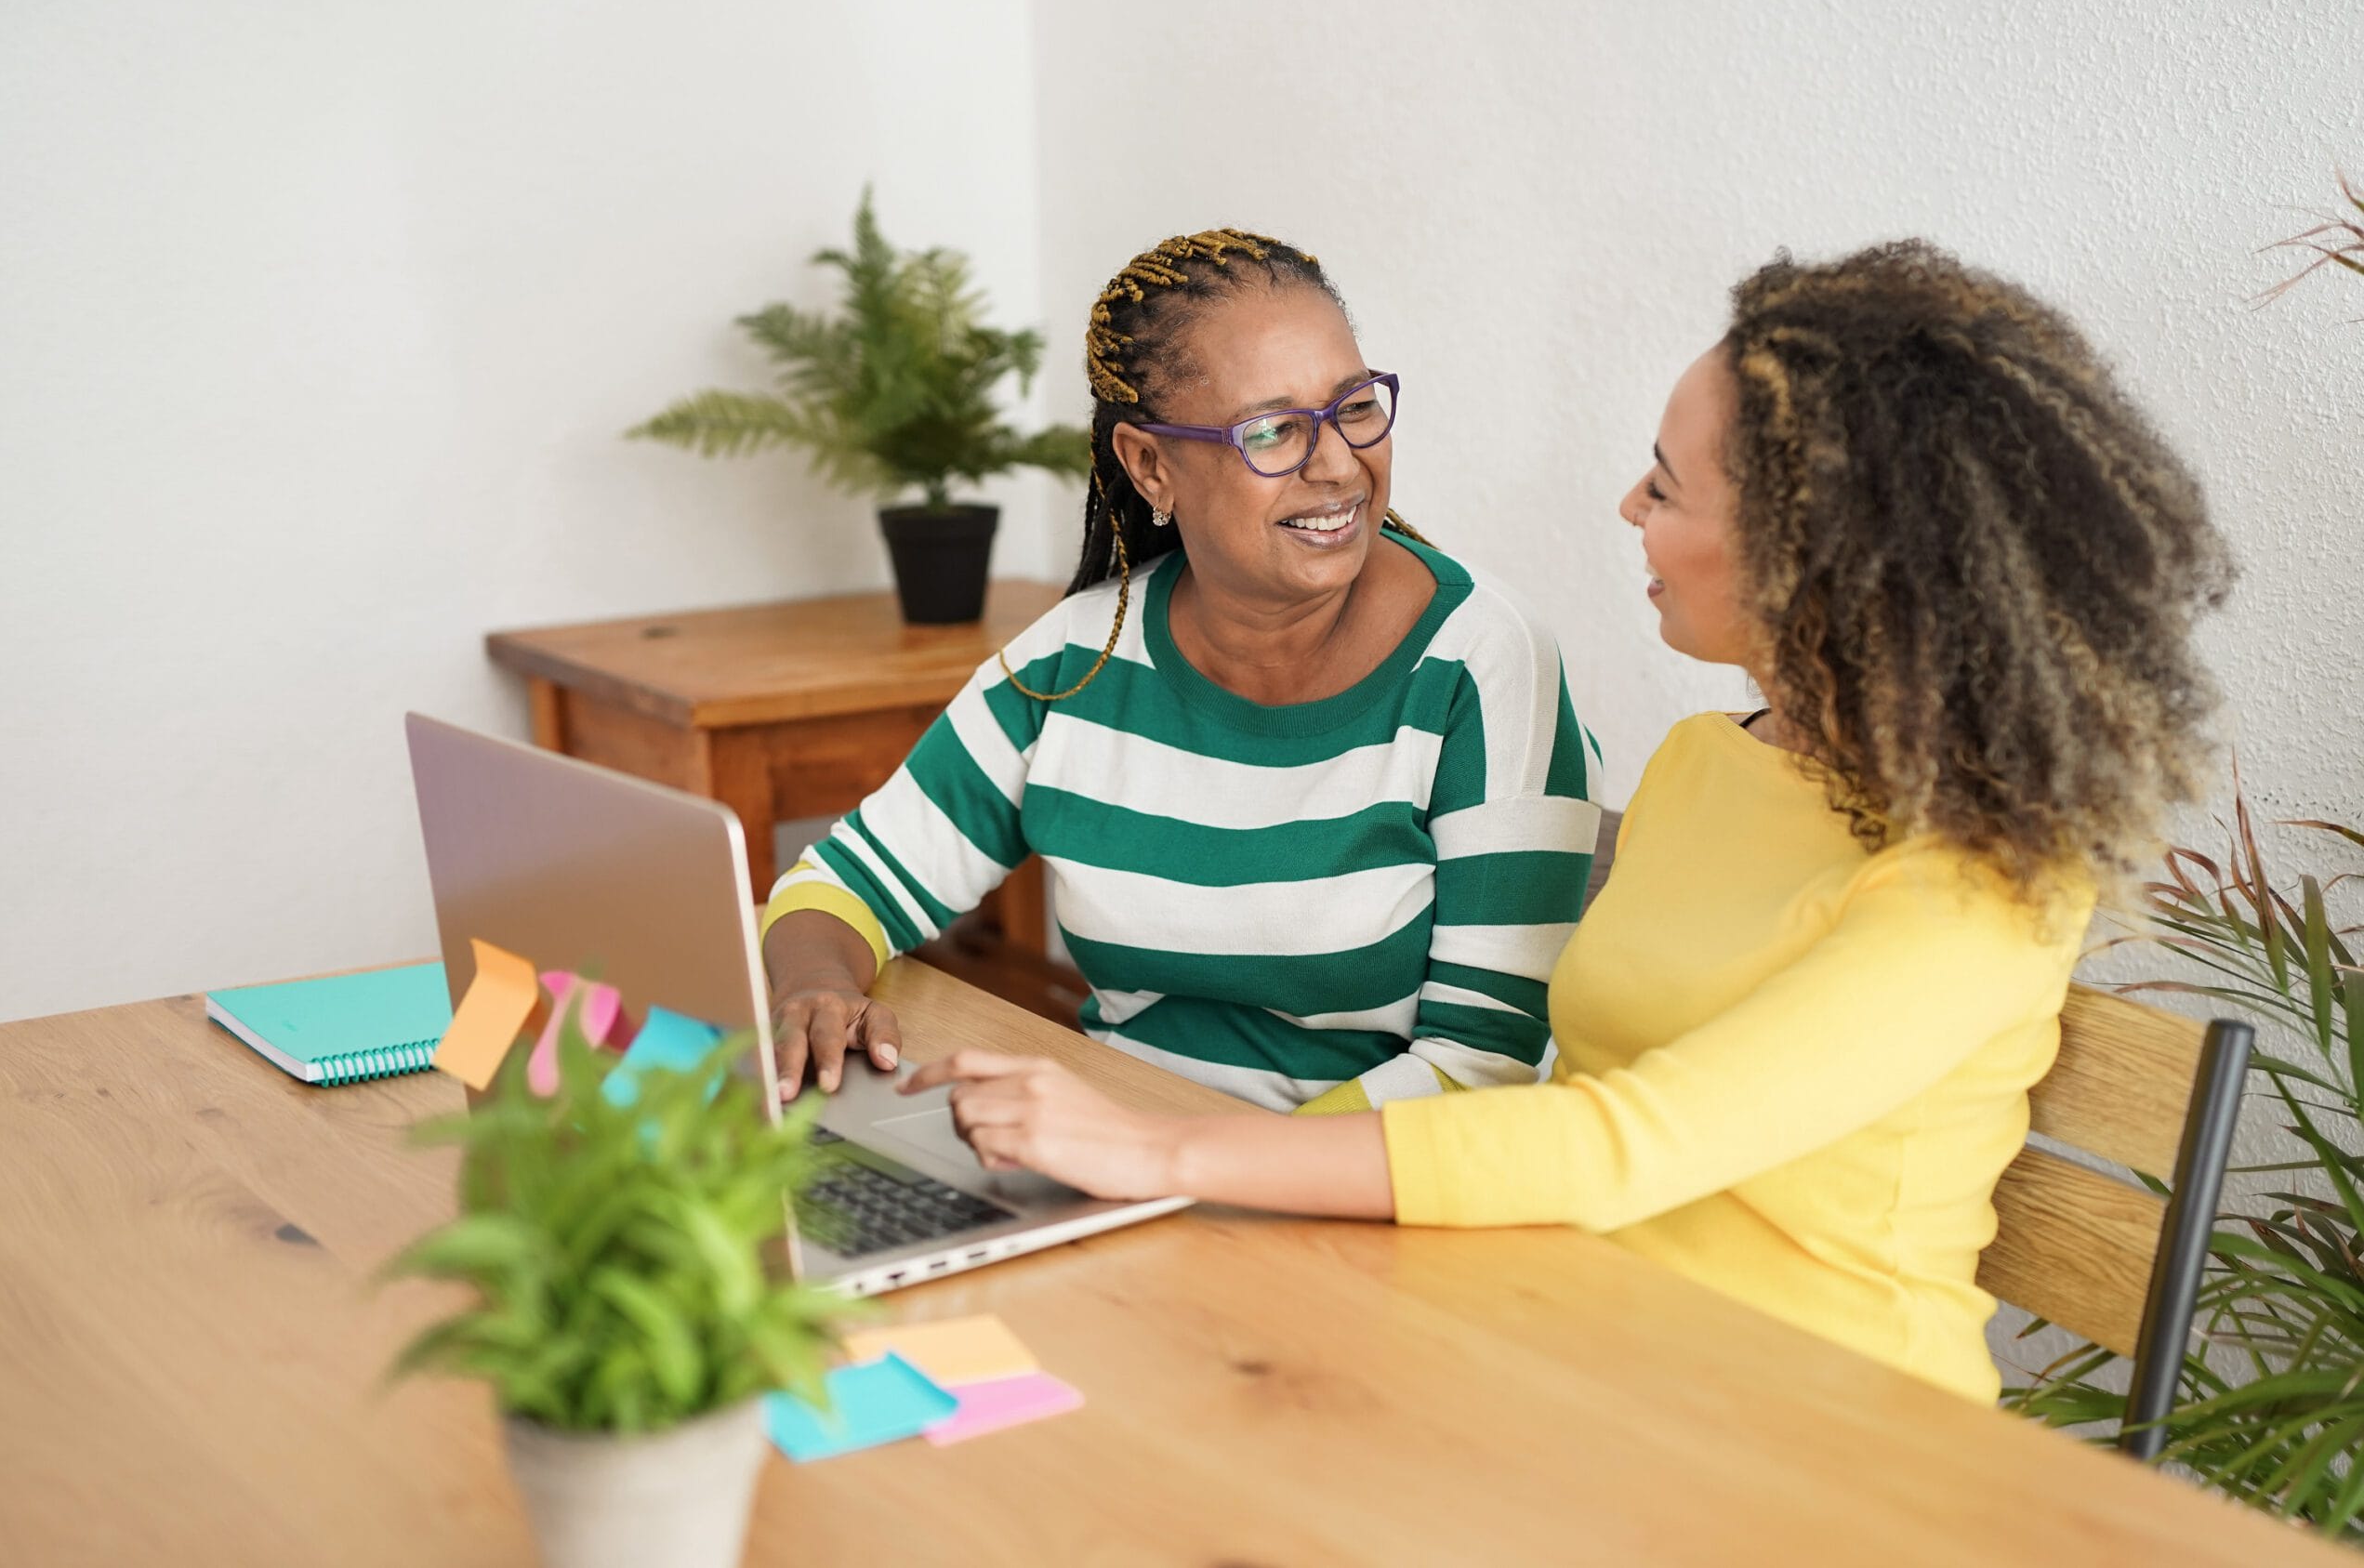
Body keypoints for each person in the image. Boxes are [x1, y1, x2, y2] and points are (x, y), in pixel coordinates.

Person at [905, 240, 2232, 1403]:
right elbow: (1571, 1079)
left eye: (1665, 484)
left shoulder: (1980, 890)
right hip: (1578, 1346)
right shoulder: (1709, 765)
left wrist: (1160, 1147)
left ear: (1803, 549)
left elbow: (1621, 1140)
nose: (1628, 509)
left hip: (1827, 1433)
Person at [760, 230, 1602, 1115]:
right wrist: (812, 985)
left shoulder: (1482, 663)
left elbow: (1483, 1062)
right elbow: (846, 881)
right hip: (1122, 1165)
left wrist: (1199, 1167)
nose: (1338, 464)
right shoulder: (1075, 665)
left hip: (1370, 1195)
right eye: (1271, 430)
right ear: (1150, 463)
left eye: (1353, 406)